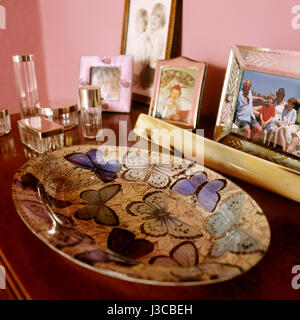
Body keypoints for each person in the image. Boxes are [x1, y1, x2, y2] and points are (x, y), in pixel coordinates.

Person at [140, 3, 167, 89]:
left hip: (153, 70)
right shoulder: (152, 33)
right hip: (148, 68)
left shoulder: (159, 36)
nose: (154, 18)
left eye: (158, 16)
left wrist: (148, 42)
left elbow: (154, 57)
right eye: (153, 15)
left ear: (162, 21)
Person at [133, 8, 149, 89]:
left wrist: (136, 73)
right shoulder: (139, 38)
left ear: (145, 25)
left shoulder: (142, 40)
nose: (137, 25)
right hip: (136, 72)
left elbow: (143, 58)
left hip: (137, 73)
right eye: (136, 22)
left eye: (140, 22)